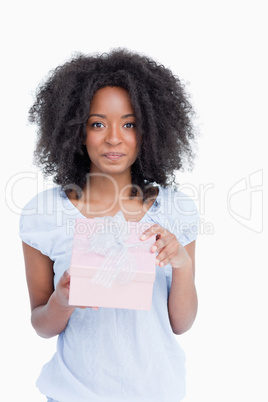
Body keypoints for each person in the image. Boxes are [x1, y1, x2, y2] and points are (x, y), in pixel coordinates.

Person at [20, 48, 199, 402]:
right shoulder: (44, 214)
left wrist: (181, 263)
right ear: (76, 131)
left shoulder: (175, 209)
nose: (114, 138)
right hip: (73, 394)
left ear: (149, 130)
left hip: (156, 391)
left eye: (129, 124)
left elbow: (182, 323)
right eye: (98, 123)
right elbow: (41, 323)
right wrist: (63, 300)